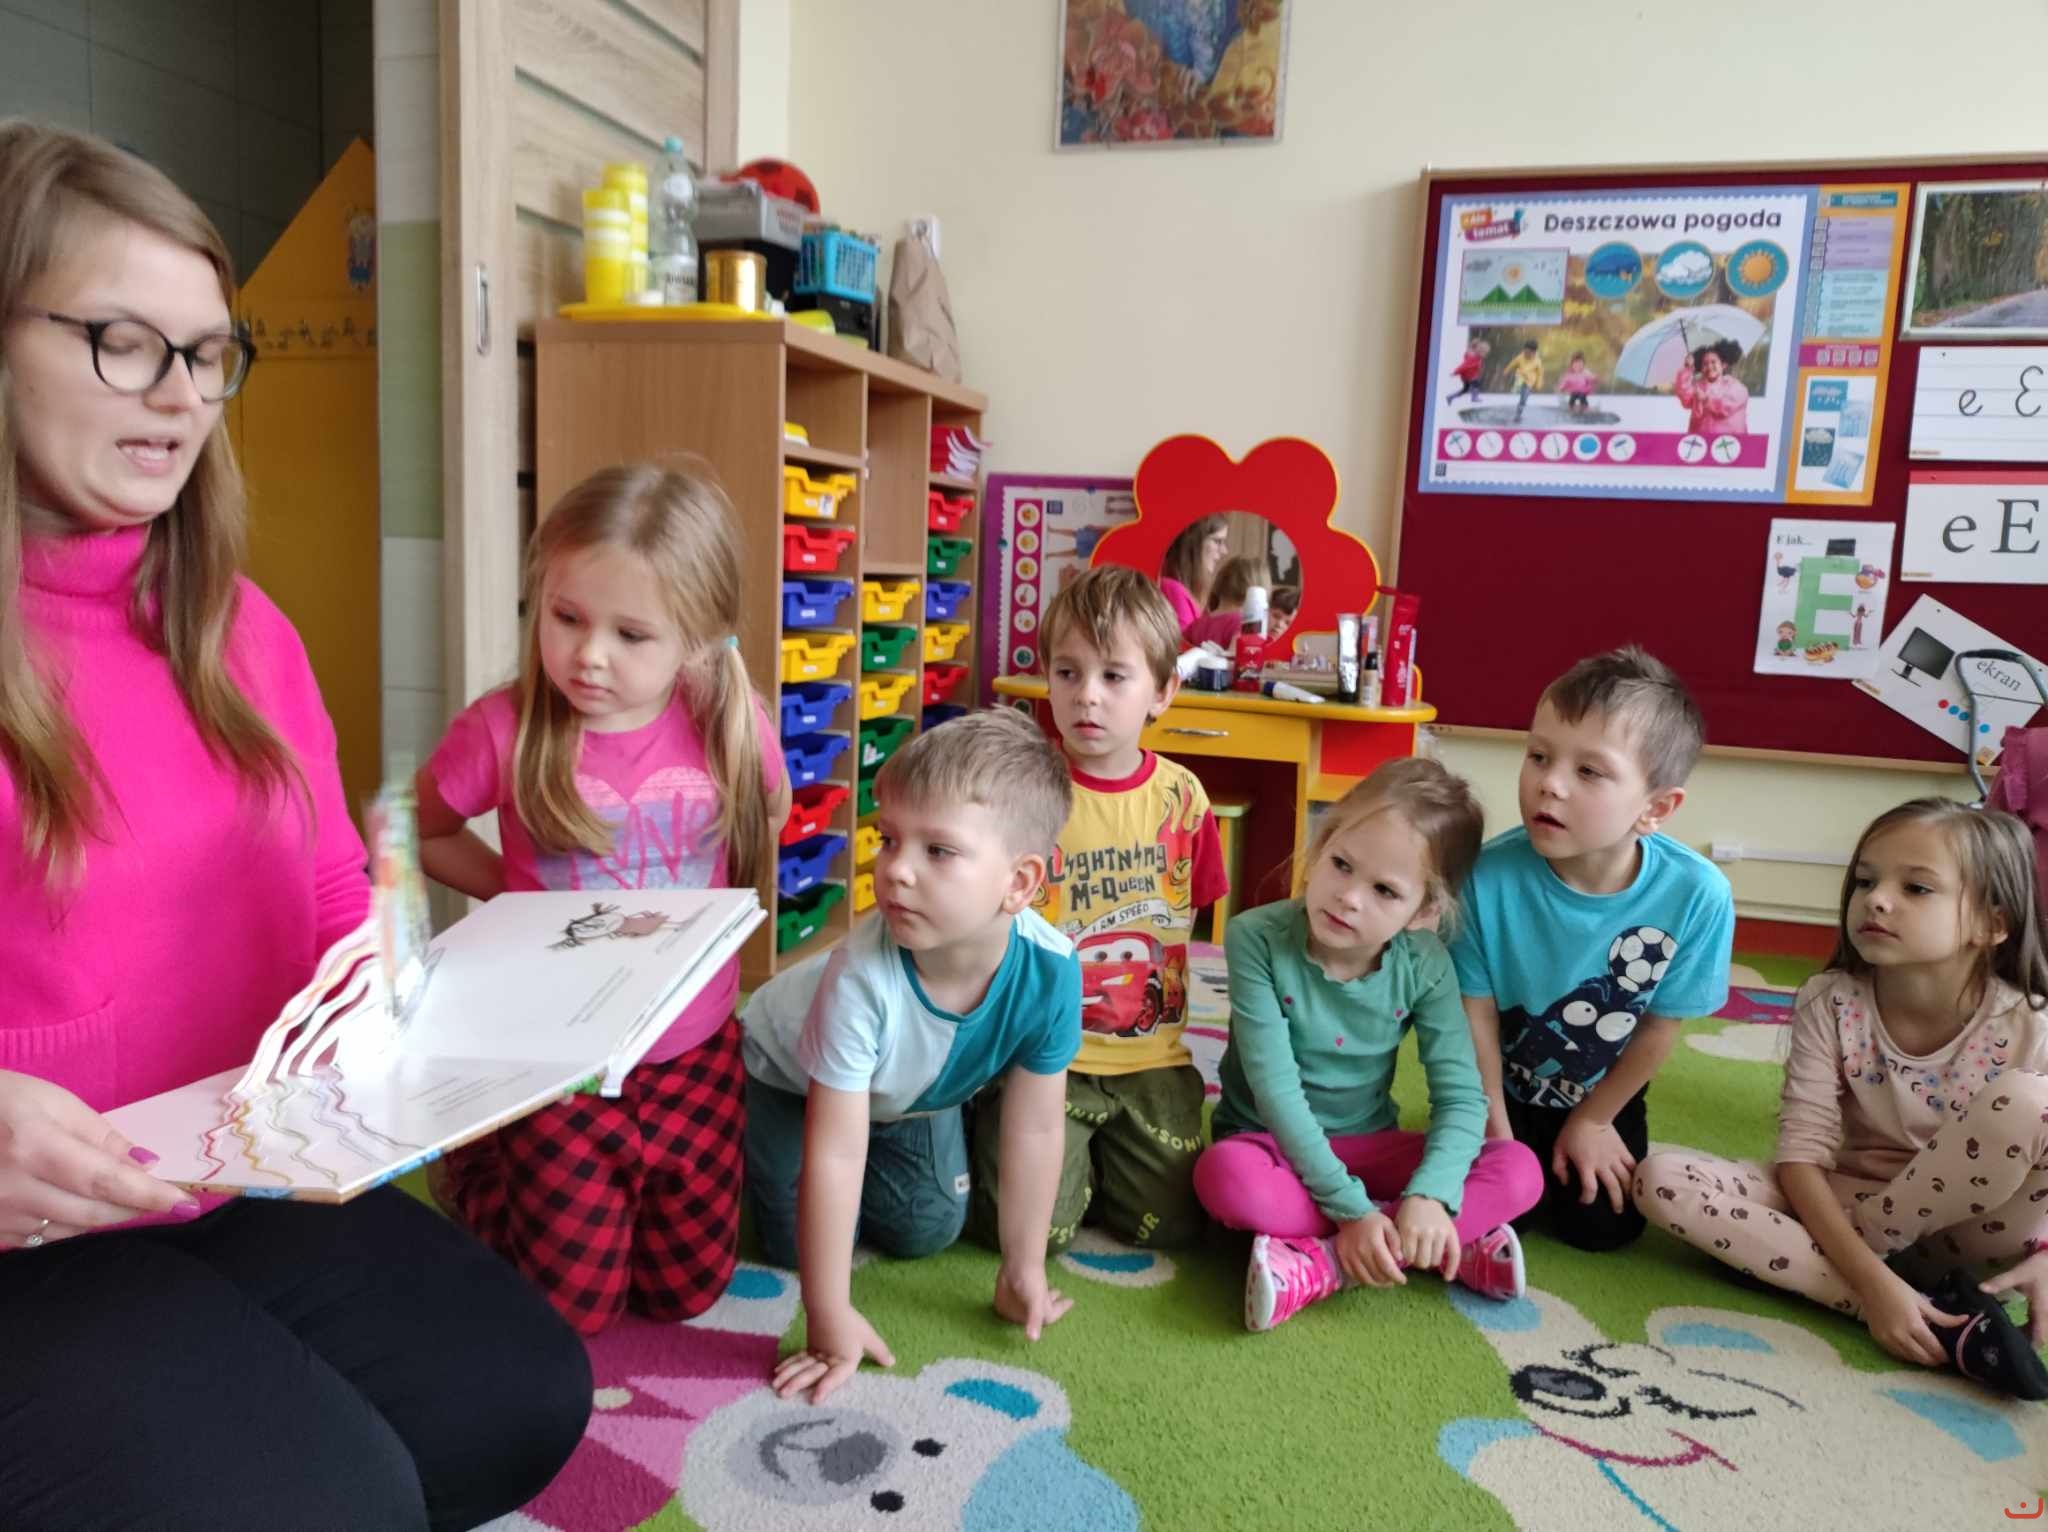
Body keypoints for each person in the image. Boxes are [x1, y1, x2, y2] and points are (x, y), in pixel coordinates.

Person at [0, 119, 588, 1530]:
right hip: (27, 1233)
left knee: (517, 1392)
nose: (181, 394)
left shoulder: (241, 626)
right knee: (332, 1495)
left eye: (209, 354)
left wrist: (420, 1006)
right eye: (123, 341)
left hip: (222, 1172)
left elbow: (330, 888)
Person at [416, 461, 789, 1336]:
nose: (589, 654)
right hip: (558, 1064)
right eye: (567, 617)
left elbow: (766, 816)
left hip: (694, 1055)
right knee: (571, 1312)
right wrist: (515, 896)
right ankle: (478, 1164)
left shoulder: (730, 722)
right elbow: (418, 830)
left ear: (697, 638)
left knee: (685, 1294)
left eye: (631, 634)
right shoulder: (502, 729)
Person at [1635, 800, 2048, 1399]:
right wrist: (1876, 1290)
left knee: (2027, 1101)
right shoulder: (1830, 1001)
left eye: (1916, 888)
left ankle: (1851, 1269)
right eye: (1865, 881)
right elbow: (1801, 1156)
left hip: (1973, 1233)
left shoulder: (2031, 1024)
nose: (1877, 900)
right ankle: (1934, 1316)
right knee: (1661, 1180)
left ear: (1991, 924)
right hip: (1844, 1195)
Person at [739, 708, 1081, 1404]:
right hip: (785, 1081)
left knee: (929, 1227)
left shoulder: (1052, 969)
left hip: (908, 1096)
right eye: (889, 839)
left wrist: (1024, 1268)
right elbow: (837, 1151)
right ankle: (735, 1132)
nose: (895, 870)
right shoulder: (861, 978)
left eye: (939, 851)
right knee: (793, 1246)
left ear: (1019, 883)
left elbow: (1038, 1126)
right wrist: (827, 1314)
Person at [1193, 760, 1543, 1331]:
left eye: (1384, 890)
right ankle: (1435, 1245)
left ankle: (1329, 1262)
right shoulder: (1255, 937)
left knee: (1520, 1168)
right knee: (1223, 1177)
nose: (1349, 898)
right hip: (1270, 1144)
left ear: (1425, 910)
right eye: (1341, 864)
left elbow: (1461, 1096)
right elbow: (1276, 1093)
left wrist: (1431, 1195)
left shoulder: (1426, 964)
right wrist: (1352, 1210)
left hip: (1372, 1142)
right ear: (1322, 845)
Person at [969, 567, 1228, 1255]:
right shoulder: (1020, 794)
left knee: (1171, 1228)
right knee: (1034, 1233)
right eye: (1068, 672)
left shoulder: (1184, 799)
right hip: (1040, 1057)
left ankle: (1100, 1161)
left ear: (1162, 692)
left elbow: (1195, 913)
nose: (1087, 694)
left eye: (1115, 676)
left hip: (1151, 1059)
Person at [1452, 646, 1735, 1251]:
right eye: (1538, 756)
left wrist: (1595, 1119)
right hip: (1498, 1083)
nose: (1548, 784)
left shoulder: (1697, 895)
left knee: (1605, 1228)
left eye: (1589, 771)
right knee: (1500, 1213)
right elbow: (1475, 1012)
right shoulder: (1484, 877)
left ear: (1656, 808)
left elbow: (1658, 1028)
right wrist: (1492, 1124)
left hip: (1603, 1089)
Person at [1157, 514, 1230, 633]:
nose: (1224, 551)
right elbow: (1182, 644)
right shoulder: (1172, 589)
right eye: (1217, 541)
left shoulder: (1188, 592)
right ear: (1194, 543)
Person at [1675, 338, 1750, 436]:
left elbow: (1725, 407)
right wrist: (1687, 368)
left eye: (1713, 362)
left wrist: (1706, 399)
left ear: (1723, 364)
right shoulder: (1698, 386)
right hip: (1701, 441)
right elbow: (1685, 396)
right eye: (1705, 364)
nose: (1709, 367)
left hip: (1731, 441)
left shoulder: (1736, 387)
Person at [1504, 340, 1544, 422]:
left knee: (1523, 400)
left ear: (1534, 353)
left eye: (1528, 353)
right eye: (1525, 352)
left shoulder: (1537, 361)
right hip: (1520, 377)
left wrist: (1538, 384)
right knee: (1519, 379)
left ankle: (1518, 414)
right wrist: (1506, 371)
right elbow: (1512, 364)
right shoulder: (1520, 357)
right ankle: (1516, 388)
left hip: (1529, 382)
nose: (1526, 354)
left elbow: (1540, 374)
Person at [1445, 337, 1491, 405]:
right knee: (1476, 383)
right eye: (1484, 352)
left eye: (1486, 353)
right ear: (1478, 351)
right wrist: (1455, 372)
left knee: (1465, 390)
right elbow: (1464, 366)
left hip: (1467, 376)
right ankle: (1474, 398)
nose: (1485, 355)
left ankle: (1450, 397)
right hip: (1468, 376)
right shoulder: (1474, 358)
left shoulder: (1476, 357)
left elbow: (1469, 354)